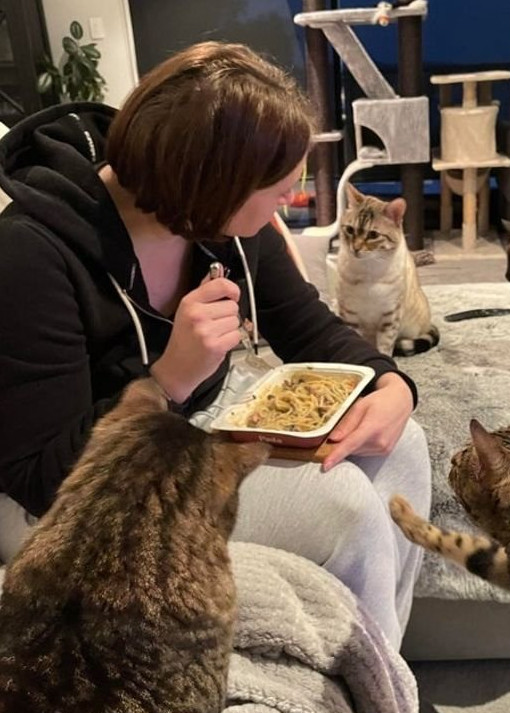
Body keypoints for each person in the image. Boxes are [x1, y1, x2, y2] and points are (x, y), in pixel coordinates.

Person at [0, 41, 430, 652]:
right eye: (277, 188)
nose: (290, 200)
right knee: (347, 511)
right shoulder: (30, 255)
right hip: (69, 503)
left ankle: (380, 660)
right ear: (210, 182)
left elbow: (305, 324)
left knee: (404, 443)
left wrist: (391, 383)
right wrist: (168, 379)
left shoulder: (215, 219)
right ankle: (373, 681)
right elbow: (40, 480)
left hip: (191, 434)